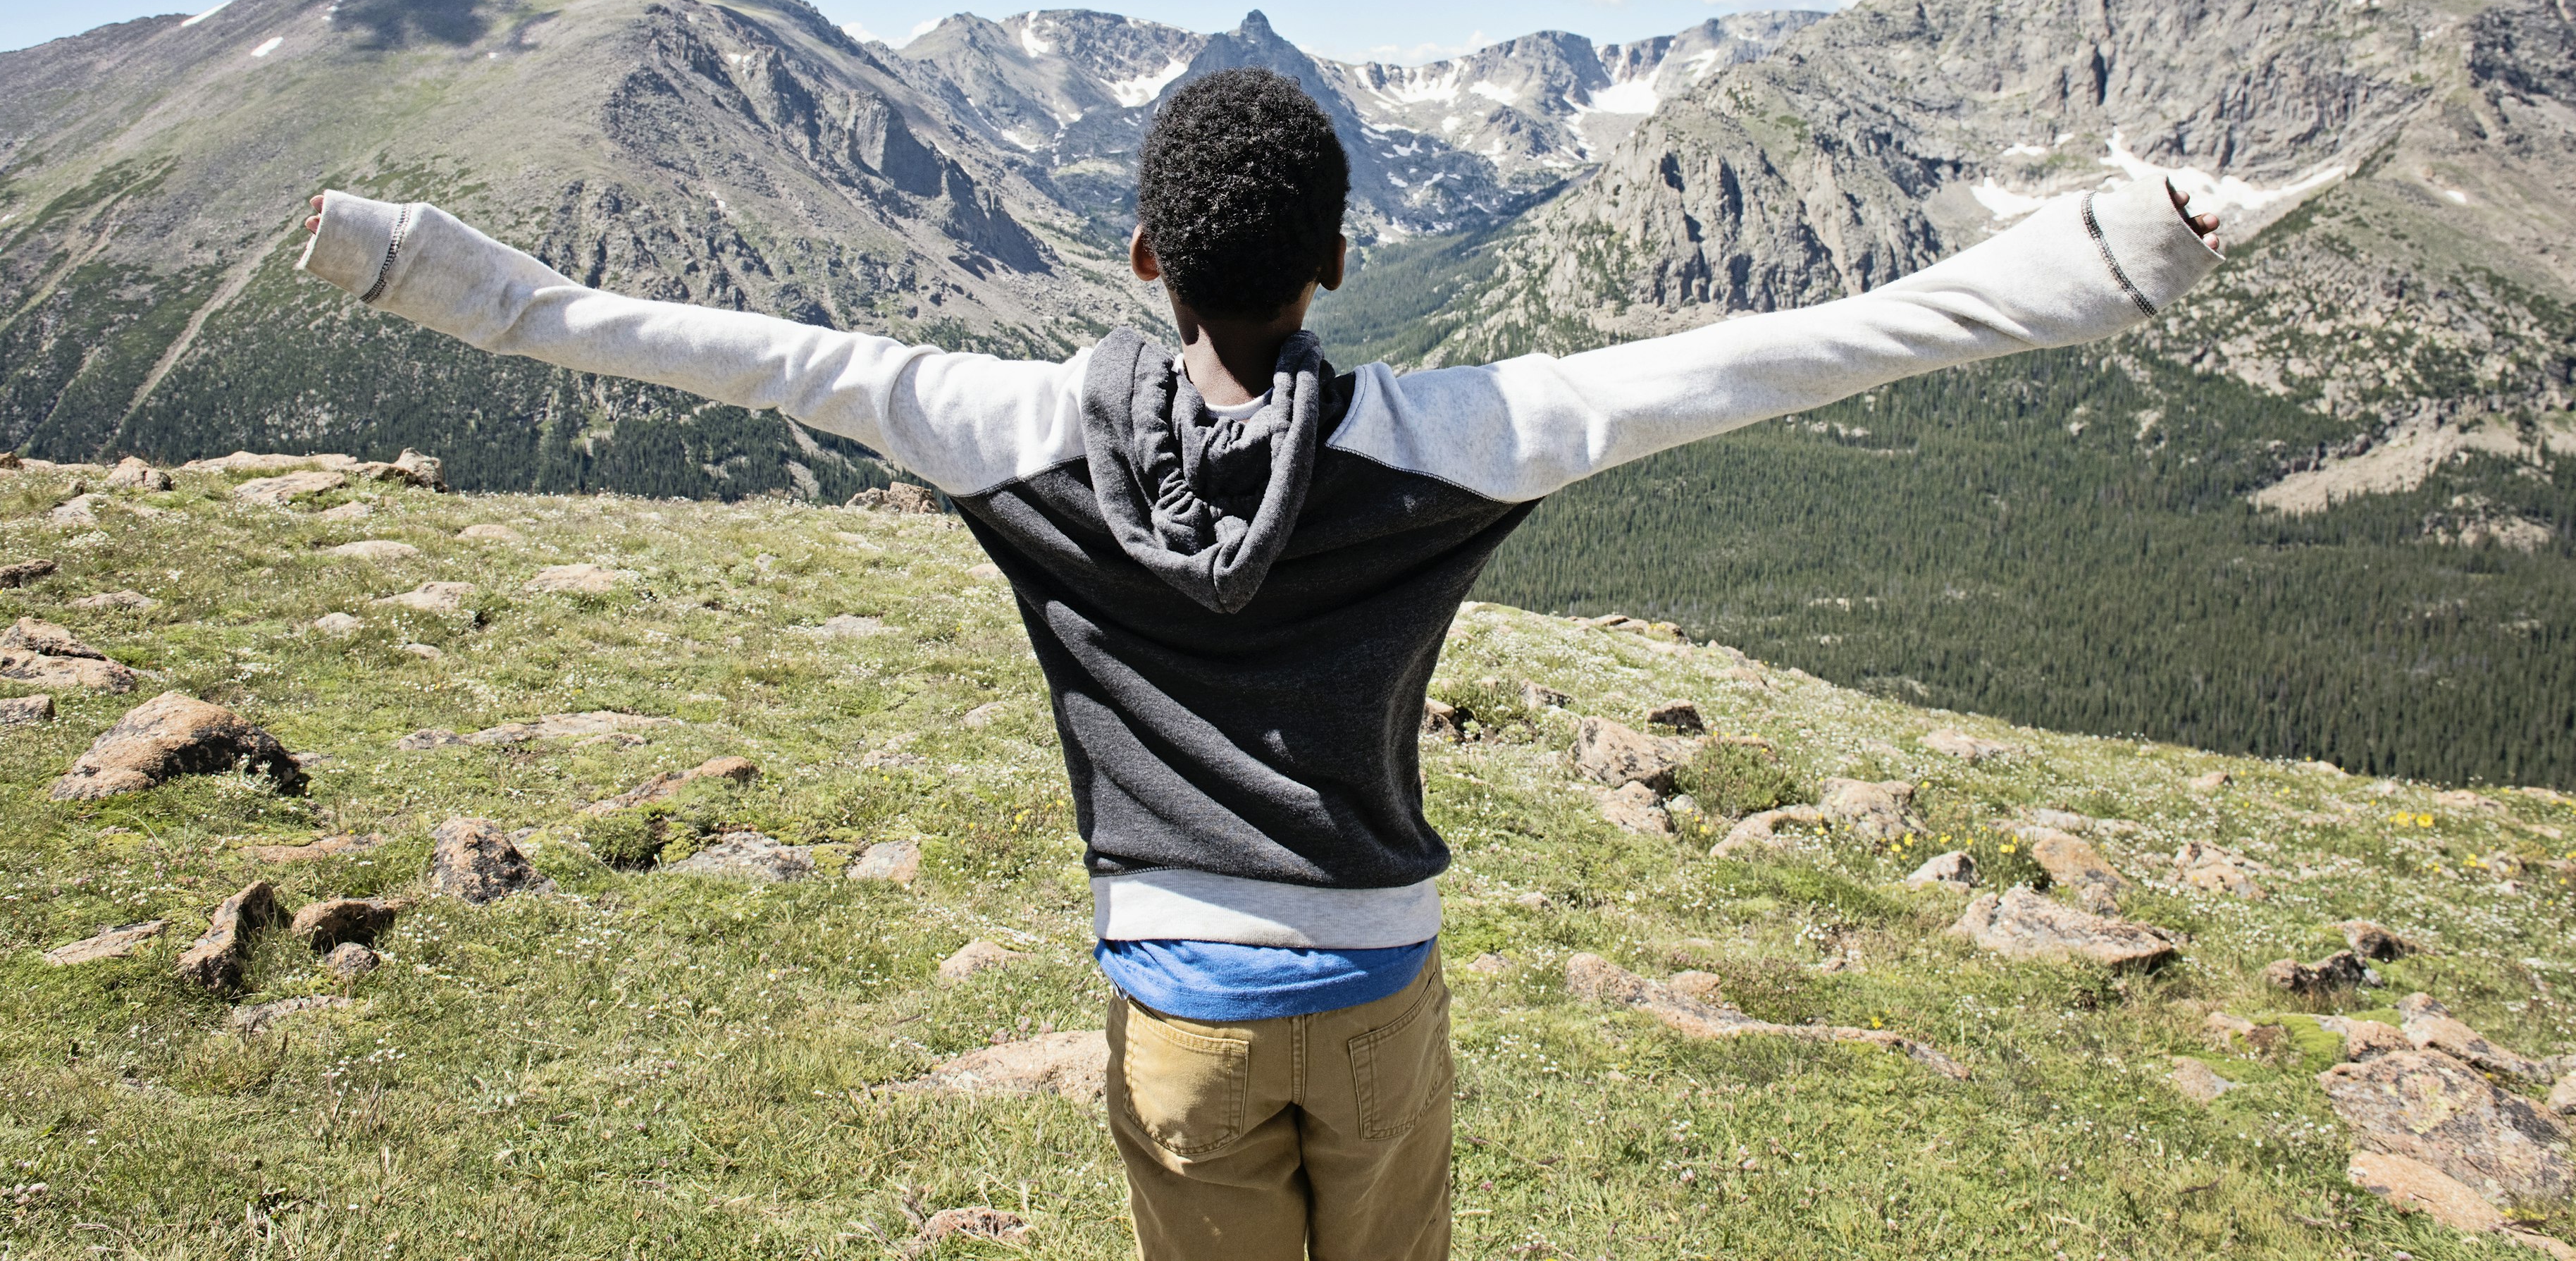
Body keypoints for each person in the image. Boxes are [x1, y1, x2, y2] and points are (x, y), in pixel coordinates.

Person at [298, 66, 2224, 1260]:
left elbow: (725, 345)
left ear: (1144, 259)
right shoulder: (1457, 431)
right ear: (1335, 261)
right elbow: (1788, 352)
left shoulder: (1002, 426)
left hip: (1175, 1010)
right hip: (1378, 985)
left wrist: (420, 266)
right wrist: (2108, 256)